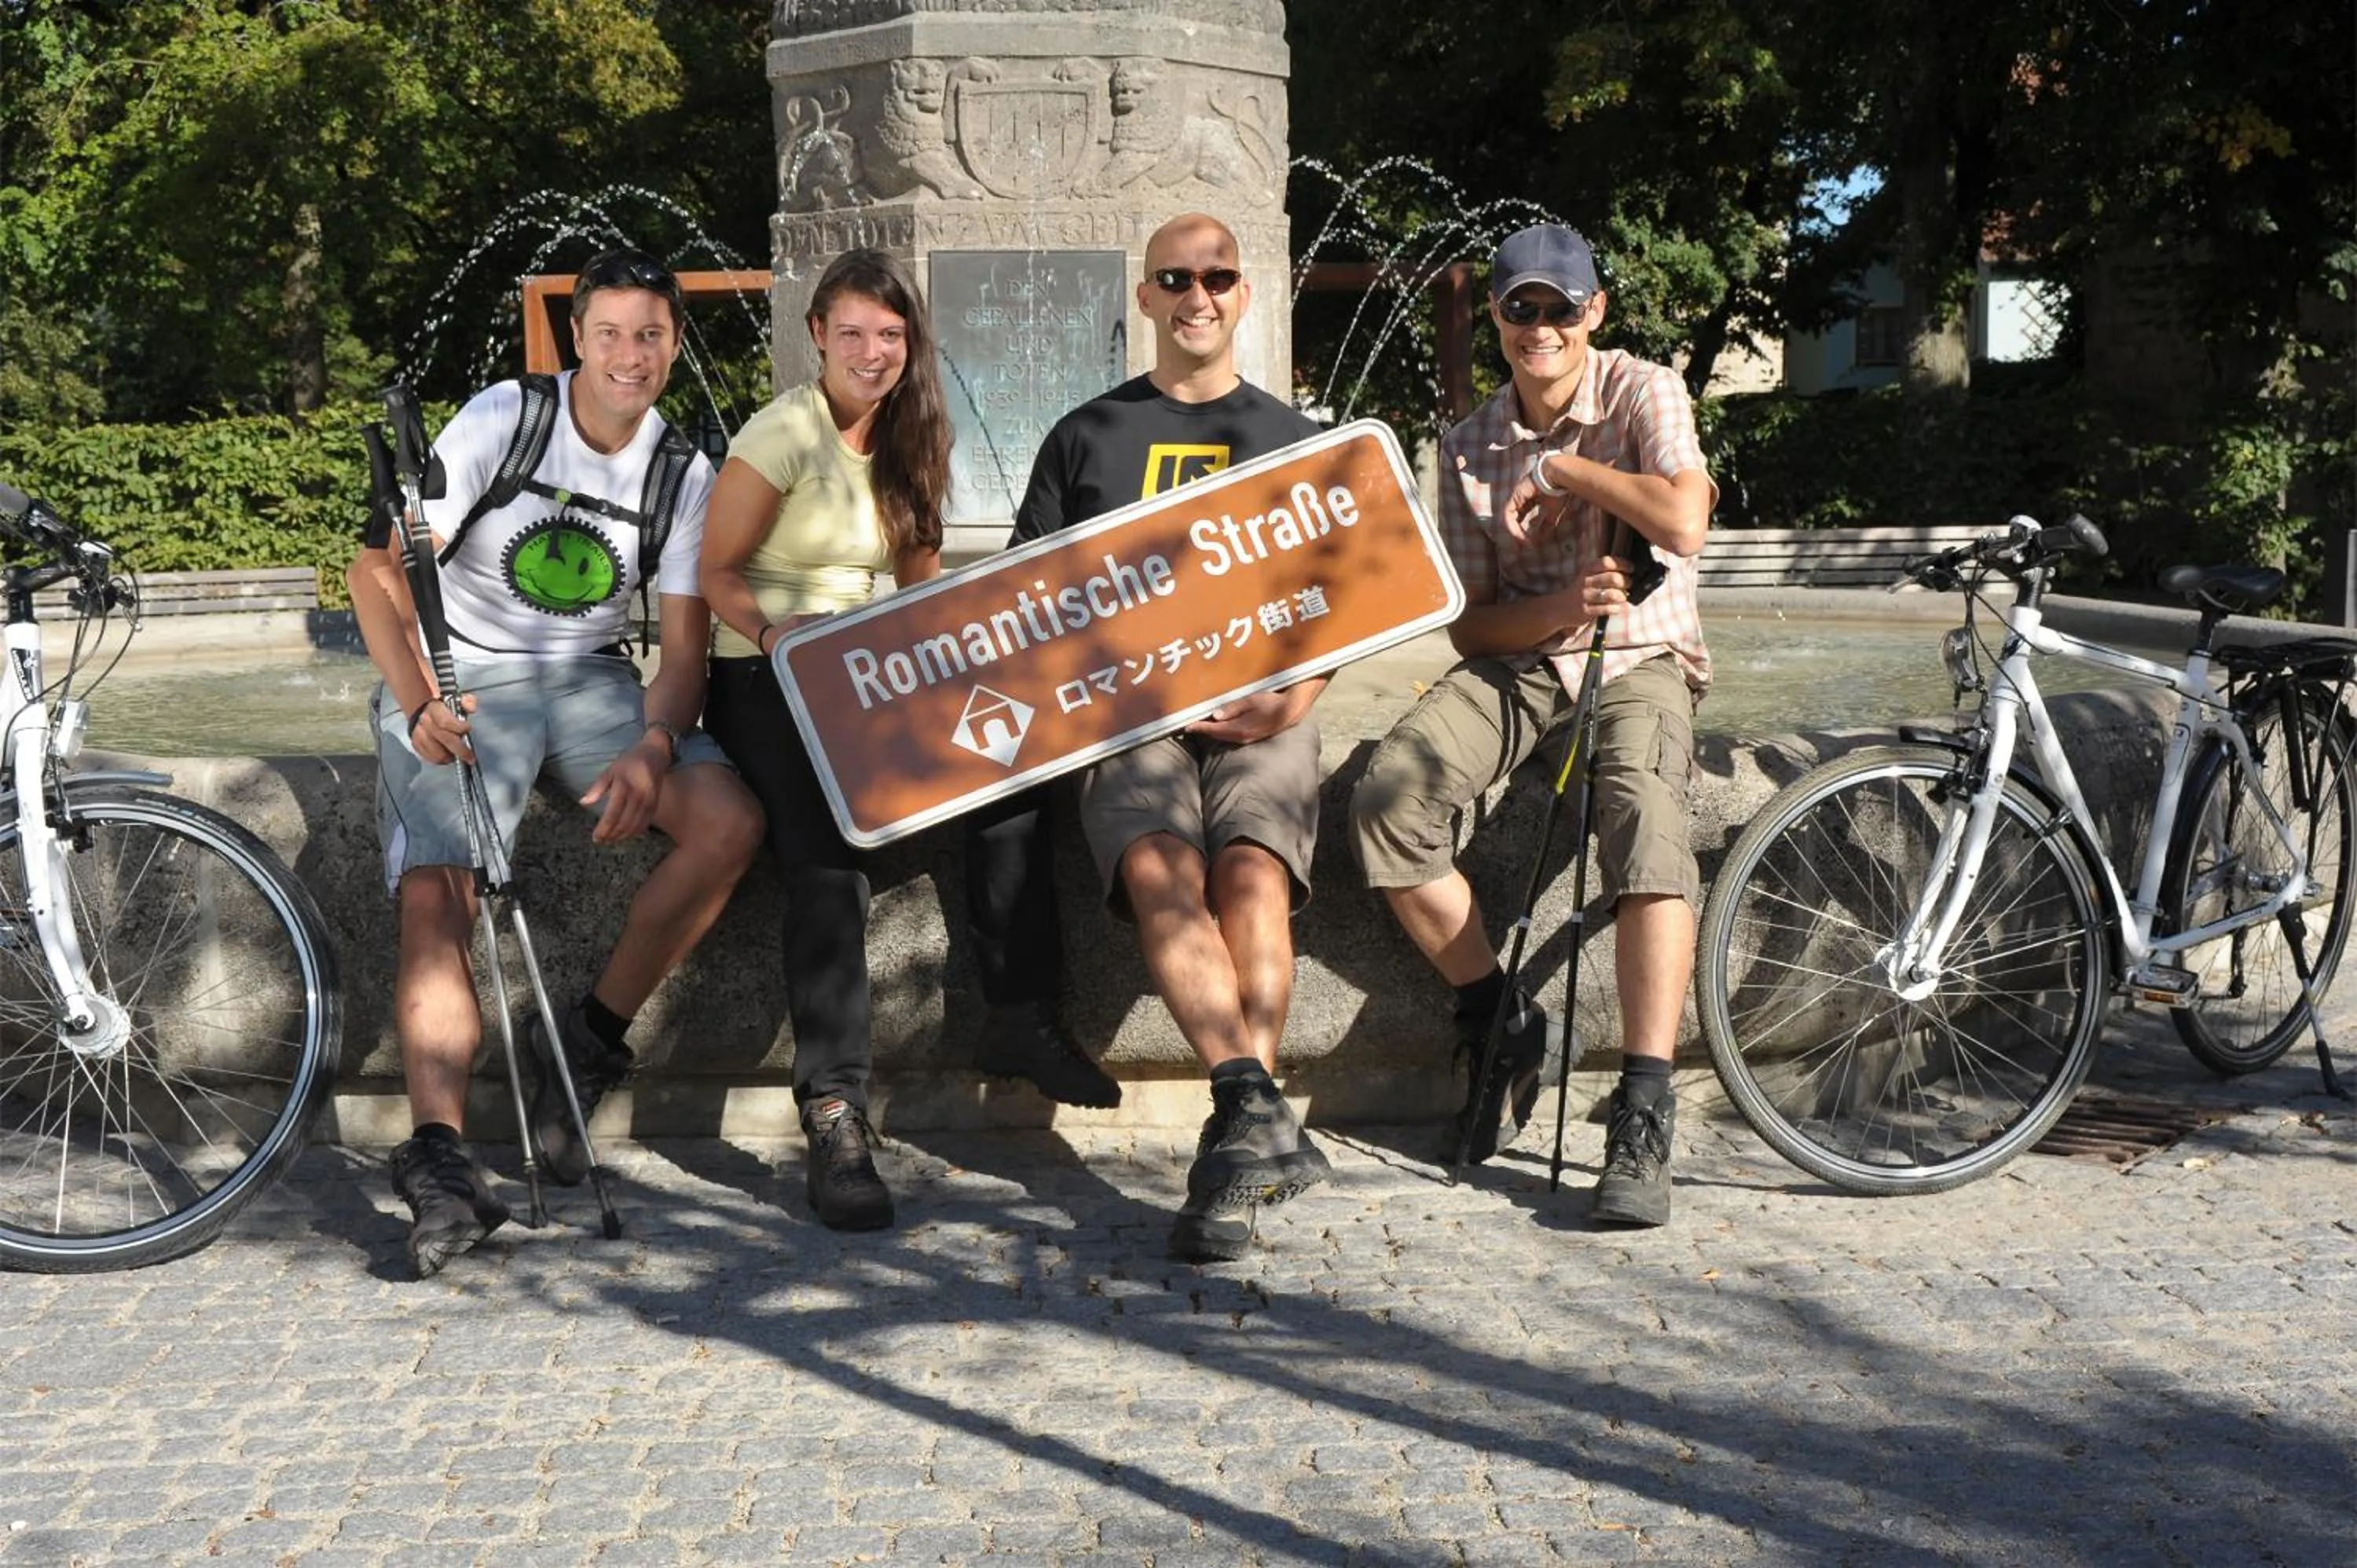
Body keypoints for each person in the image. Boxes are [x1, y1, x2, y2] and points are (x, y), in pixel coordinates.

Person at [350, 248, 764, 1279]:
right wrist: (420, 703)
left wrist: (656, 747)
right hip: (464, 681)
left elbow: (679, 656)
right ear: (577, 337)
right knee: (437, 887)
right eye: (613, 333)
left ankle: (581, 1041)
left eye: (652, 335)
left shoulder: (683, 473)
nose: (633, 355)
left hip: (591, 684)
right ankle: (441, 1158)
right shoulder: (506, 418)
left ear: (674, 343)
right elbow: (375, 574)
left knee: (728, 822)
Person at [1349, 223, 1714, 1227]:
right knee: (1386, 798)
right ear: (1500, 322)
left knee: (1642, 811)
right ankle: (1498, 1015)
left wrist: (1568, 476)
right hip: (1526, 663)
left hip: (1641, 659)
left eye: (1561, 308)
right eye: (1522, 309)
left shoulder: (1646, 391)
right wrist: (1561, 610)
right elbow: (1469, 625)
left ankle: (1643, 1102)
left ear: (1594, 312)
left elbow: (1683, 521)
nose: (1541, 327)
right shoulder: (1465, 449)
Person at [1004, 211, 1332, 1263]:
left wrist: (1295, 699)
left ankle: (1235, 1151)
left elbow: (1346, 599)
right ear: (1143, 298)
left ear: (1245, 296)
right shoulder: (1085, 437)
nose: (1198, 296)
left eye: (1218, 277)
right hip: (1130, 716)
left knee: (1252, 882)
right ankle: (1253, 1109)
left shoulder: (1293, 437)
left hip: (1267, 708)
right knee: (1157, 865)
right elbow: (1025, 603)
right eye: (1175, 279)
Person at [696, 249, 992, 1229]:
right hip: (765, 673)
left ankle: (1027, 1019)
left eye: (892, 336)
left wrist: (956, 691)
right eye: (854, 333)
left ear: (912, 346)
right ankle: (834, 1110)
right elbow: (718, 574)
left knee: (1022, 775)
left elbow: (921, 580)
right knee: (828, 850)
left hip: (869, 673)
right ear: (817, 334)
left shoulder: (912, 434)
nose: (872, 352)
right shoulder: (782, 432)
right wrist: (782, 641)